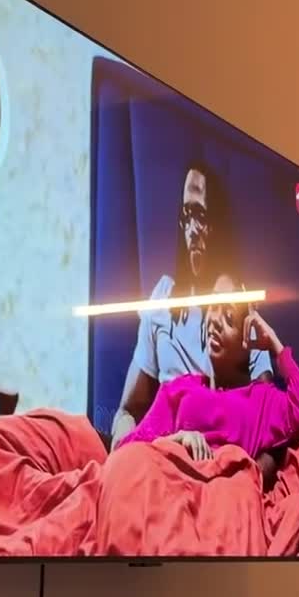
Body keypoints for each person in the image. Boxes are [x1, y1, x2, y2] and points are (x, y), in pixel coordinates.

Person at [110, 164, 271, 448]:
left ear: (218, 224)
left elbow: (267, 422)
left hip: (215, 456)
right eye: (186, 215)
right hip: (161, 451)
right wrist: (125, 445)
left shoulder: (241, 304)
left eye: (201, 215)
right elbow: (127, 411)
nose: (193, 230)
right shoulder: (163, 297)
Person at [116, 276, 299, 470]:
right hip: (170, 483)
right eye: (213, 307)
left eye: (229, 318)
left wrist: (275, 345)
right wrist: (176, 441)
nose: (215, 320)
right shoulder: (179, 389)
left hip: (224, 488)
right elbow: (129, 450)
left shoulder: (262, 400)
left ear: (246, 339)